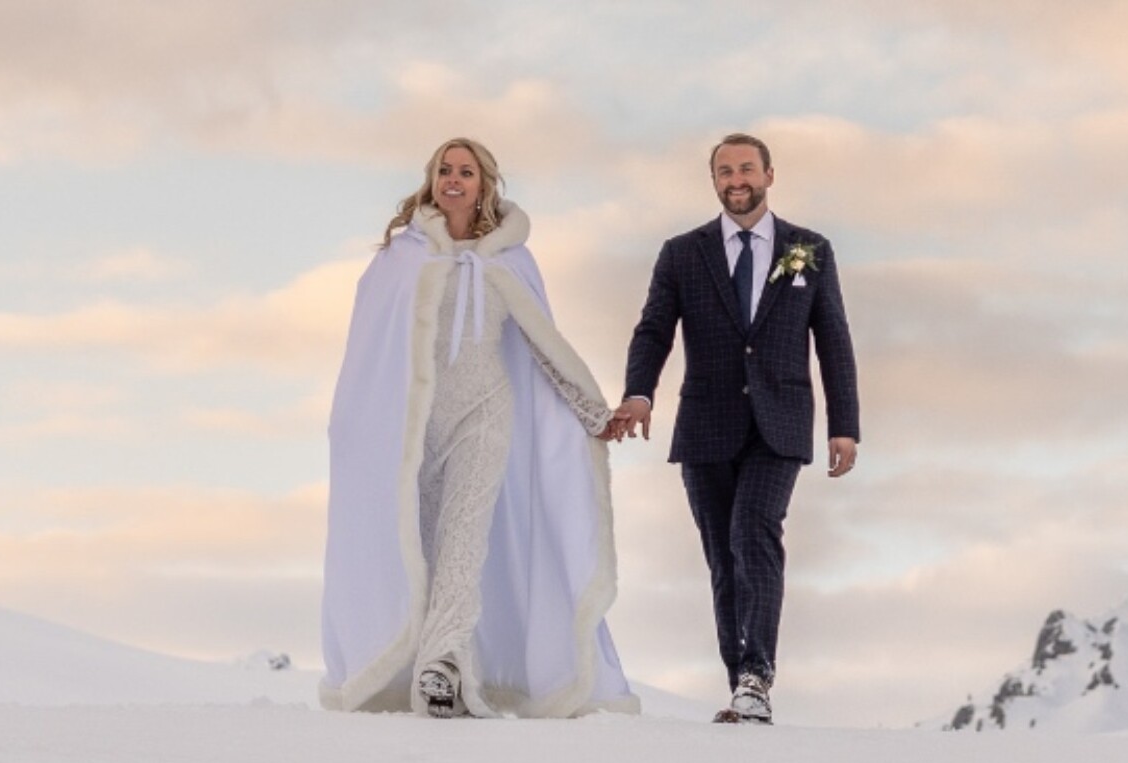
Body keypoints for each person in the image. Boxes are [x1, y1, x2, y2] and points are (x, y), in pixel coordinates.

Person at [321, 138, 638, 719]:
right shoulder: (402, 256)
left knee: (465, 541)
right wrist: (352, 424)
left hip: (485, 413)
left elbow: (546, 345)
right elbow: (368, 350)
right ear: (432, 179)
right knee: (417, 546)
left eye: (466, 171)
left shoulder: (507, 259)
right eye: (445, 169)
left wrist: (595, 412)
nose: (454, 179)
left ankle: (441, 670)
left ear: (484, 184)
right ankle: (430, 664)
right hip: (412, 427)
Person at [613, 133, 860, 724]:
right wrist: (639, 393)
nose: (735, 179)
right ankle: (741, 686)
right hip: (705, 424)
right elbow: (654, 330)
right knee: (723, 558)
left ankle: (757, 677)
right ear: (714, 181)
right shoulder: (681, 253)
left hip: (781, 422)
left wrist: (844, 425)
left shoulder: (811, 249)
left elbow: (834, 341)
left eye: (746, 168)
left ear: (769, 175)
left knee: (755, 532)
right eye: (724, 171)